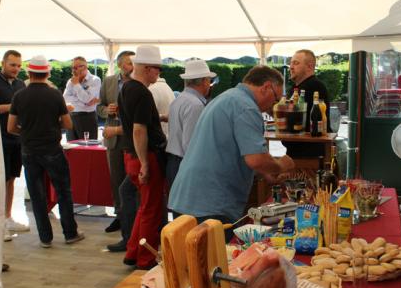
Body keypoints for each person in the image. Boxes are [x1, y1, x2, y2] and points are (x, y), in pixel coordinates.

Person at [168, 65, 295, 230]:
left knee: (191, 255)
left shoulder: (228, 97)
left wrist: (265, 173)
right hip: (210, 205)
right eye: (276, 99)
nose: (273, 105)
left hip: (189, 199)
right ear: (266, 88)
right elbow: (256, 159)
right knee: (215, 256)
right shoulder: (247, 107)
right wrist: (280, 165)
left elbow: (231, 150)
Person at [8, 55, 84, 248]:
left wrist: (26, 132)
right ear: (47, 73)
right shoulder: (55, 95)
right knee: (63, 191)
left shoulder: (19, 96)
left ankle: (45, 238)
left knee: (36, 194)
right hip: (52, 148)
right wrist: (53, 125)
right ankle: (70, 233)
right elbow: (67, 123)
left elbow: (10, 128)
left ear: (29, 73)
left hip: (29, 150)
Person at [117, 45, 168, 269]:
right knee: (152, 210)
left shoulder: (127, 88)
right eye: (157, 68)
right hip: (145, 156)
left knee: (144, 207)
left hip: (132, 155)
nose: (159, 73)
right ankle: (145, 259)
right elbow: (139, 129)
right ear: (147, 68)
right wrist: (146, 164)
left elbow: (138, 123)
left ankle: (133, 251)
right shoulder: (142, 92)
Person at [97, 50, 135, 235]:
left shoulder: (137, 83)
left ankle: (131, 219)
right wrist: (107, 111)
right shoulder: (109, 81)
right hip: (113, 139)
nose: (132, 66)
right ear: (120, 65)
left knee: (131, 181)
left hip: (131, 139)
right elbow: (99, 107)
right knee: (116, 180)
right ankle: (120, 217)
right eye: (129, 62)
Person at [0, 50, 30, 241]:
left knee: (11, 179)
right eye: (12, 65)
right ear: (3, 63)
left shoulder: (19, 84)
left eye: (18, 65)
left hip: (16, 138)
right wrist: (12, 106)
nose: (16, 69)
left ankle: (7, 217)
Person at [165, 59, 215, 187]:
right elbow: (191, 144)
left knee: (177, 205)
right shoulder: (195, 104)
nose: (210, 84)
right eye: (209, 80)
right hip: (185, 163)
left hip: (175, 161)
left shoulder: (179, 99)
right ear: (204, 81)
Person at [284, 49, 331, 157]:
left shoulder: (315, 86)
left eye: (296, 63)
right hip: (296, 151)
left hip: (312, 154)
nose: (291, 67)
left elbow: (297, 118)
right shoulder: (295, 88)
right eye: (290, 63)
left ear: (309, 67)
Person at [63, 56, 101, 141]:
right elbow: (65, 99)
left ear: (86, 66)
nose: (75, 70)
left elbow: (87, 99)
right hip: (72, 117)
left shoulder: (95, 80)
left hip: (87, 118)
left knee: (88, 147)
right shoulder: (70, 81)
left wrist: (76, 84)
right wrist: (83, 102)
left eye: (78, 66)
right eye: (73, 67)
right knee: (71, 146)